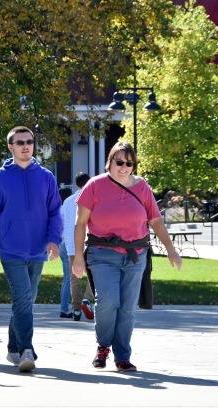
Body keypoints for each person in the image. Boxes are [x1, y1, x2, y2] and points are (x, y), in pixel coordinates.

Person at [72, 141, 182, 372]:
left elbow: (156, 221)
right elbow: (81, 223)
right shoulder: (94, 186)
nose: (123, 167)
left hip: (135, 255)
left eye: (129, 163)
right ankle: (103, 346)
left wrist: (171, 249)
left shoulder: (142, 187)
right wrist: (79, 257)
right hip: (102, 254)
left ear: (134, 165)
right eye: (119, 162)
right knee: (108, 301)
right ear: (110, 161)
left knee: (127, 307)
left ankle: (122, 356)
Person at [0, 126, 62, 373]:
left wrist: (54, 239)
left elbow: (54, 212)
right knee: (23, 298)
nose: (26, 146)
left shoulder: (46, 176)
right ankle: (27, 349)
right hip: (11, 250)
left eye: (29, 142)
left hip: (38, 249)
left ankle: (12, 348)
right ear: (10, 146)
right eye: (20, 142)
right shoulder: (0, 177)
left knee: (26, 300)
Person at [60, 172, 94, 321]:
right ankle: (88, 298)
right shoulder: (93, 199)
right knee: (94, 275)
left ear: (76, 184)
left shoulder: (67, 201)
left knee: (74, 278)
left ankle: (76, 309)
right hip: (89, 242)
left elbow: (61, 222)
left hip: (71, 244)